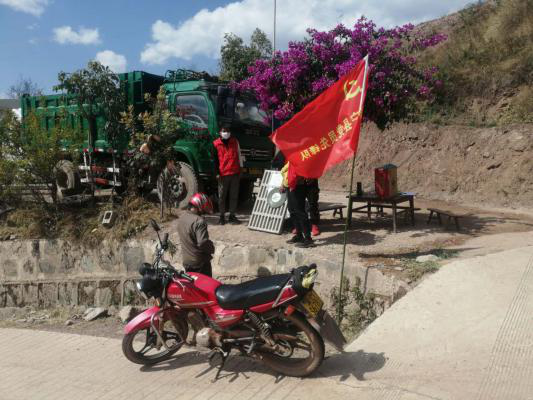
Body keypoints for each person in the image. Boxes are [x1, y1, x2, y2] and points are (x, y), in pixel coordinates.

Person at [176, 192, 215, 277]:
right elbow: (202, 243)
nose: (204, 210)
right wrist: (212, 248)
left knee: (193, 285)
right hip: (200, 263)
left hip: (187, 262)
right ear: (199, 205)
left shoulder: (182, 218)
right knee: (206, 285)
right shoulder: (199, 221)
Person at [213, 126, 243, 225]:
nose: (226, 133)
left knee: (234, 196)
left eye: (228, 131)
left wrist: (241, 169)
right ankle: (222, 216)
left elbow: (239, 155)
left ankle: (232, 216)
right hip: (223, 174)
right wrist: (217, 173)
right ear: (220, 132)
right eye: (224, 131)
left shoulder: (235, 142)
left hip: (235, 173)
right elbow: (214, 160)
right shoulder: (216, 144)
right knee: (222, 196)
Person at [281, 162, 315, 248]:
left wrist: (297, 181)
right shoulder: (291, 159)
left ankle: (308, 239)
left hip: (298, 186)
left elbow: (306, 170)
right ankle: (299, 236)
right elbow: (286, 172)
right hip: (290, 186)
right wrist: (283, 184)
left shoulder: (301, 157)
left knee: (300, 212)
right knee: (292, 211)